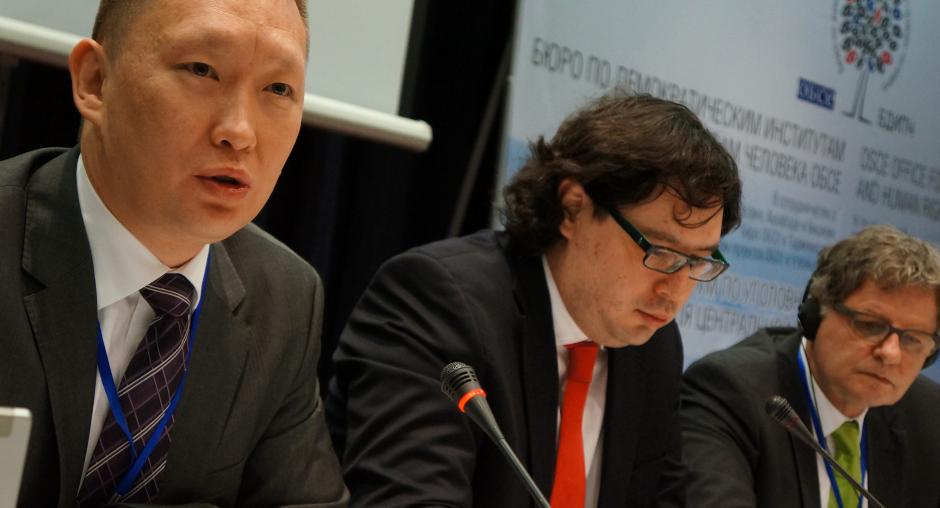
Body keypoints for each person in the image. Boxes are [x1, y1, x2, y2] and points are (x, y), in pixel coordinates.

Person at [0, 0, 348, 506]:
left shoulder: (284, 295)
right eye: (202, 70)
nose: (239, 133)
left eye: (278, 89)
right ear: (96, 82)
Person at [326, 92, 742, 507]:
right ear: (573, 208)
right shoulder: (437, 302)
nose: (675, 290)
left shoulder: (653, 348)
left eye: (698, 262)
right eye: (661, 253)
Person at [678, 225, 940, 507]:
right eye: (870, 325)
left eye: (913, 339)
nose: (890, 353)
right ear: (816, 313)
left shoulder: (929, 418)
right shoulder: (729, 392)